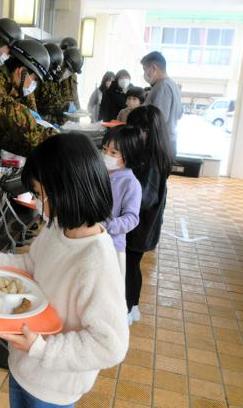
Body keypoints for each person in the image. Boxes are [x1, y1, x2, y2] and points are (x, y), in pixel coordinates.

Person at [0, 133, 129, 407]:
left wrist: (41, 348)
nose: (38, 203)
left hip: (54, 387)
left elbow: (110, 345)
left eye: (40, 194)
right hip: (23, 366)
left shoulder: (96, 260)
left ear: (66, 190)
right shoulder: (58, 229)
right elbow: (31, 265)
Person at [124, 105, 173, 323]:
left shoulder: (150, 160)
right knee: (132, 267)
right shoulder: (155, 154)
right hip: (144, 226)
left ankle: (125, 311)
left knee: (127, 268)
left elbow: (145, 198)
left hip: (139, 226)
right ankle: (132, 307)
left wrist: (122, 196)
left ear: (146, 131)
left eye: (134, 129)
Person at [101, 126, 143, 323]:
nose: (106, 155)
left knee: (110, 294)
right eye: (104, 150)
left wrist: (107, 225)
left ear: (128, 155)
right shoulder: (102, 174)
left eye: (113, 152)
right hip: (93, 240)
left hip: (113, 246)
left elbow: (132, 219)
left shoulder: (130, 183)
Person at [141, 51, 183, 155]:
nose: (145, 73)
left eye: (145, 69)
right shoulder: (173, 85)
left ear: (153, 68)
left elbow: (159, 118)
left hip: (159, 144)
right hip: (169, 142)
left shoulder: (162, 86)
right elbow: (179, 114)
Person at [33, 42, 67, 125]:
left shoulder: (50, 78)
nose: (54, 71)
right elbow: (45, 104)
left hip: (47, 122)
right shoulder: (36, 78)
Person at [59, 47, 83, 112]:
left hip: (70, 115)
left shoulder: (73, 75)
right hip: (59, 114)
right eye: (70, 70)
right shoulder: (57, 75)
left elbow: (75, 95)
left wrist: (78, 110)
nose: (70, 73)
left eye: (72, 72)